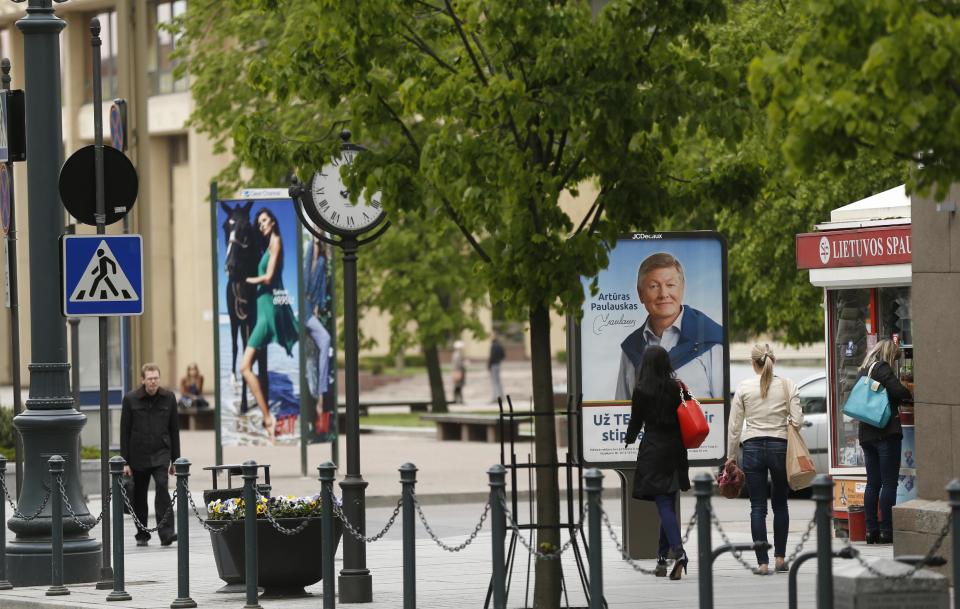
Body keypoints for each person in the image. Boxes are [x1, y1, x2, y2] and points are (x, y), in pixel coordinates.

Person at [726, 344, 803, 574]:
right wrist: (785, 423)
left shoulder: (743, 387)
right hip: (780, 446)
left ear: (753, 363)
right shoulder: (788, 385)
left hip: (752, 447)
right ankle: (780, 559)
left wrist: (731, 457)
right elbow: (797, 419)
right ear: (773, 361)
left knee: (757, 506)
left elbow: (734, 427)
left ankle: (762, 563)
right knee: (780, 504)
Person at [614, 252, 724, 400]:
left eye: (670, 285)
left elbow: (723, 411)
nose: (663, 294)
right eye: (653, 286)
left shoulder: (710, 340)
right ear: (640, 294)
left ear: (682, 288)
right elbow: (620, 411)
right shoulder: (631, 348)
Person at [623, 345, 690, 580]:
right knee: (668, 502)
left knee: (663, 502)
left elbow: (636, 421)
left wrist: (628, 440)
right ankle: (662, 559)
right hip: (676, 449)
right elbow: (689, 408)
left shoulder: (641, 389)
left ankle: (679, 553)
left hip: (654, 449)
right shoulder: (676, 387)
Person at [240, 208, 299, 438]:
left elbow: (268, 277)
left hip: (268, 311)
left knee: (245, 367)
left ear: (273, 221)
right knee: (246, 367)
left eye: (264, 221)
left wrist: (247, 280)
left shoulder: (276, 242)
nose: (262, 225)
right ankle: (268, 418)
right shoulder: (269, 244)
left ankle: (268, 418)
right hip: (264, 306)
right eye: (260, 222)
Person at [856, 339, 912, 544]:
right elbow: (899, 391)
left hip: (866, 434)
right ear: (888, 354)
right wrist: (908, 394)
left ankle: (871, 530)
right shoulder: (882, 368)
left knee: (873, 483)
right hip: (885, 433)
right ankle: (887, 530)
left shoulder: (863, 370)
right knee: (888, 483)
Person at [120, 364, 180, 547]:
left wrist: (175, 461)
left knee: (162, 490)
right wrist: (125, 461)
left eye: (156, 378)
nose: (153, 381)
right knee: (139, 496)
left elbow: (174, 430)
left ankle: (167, 534)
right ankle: (142, 534)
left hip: (161, 453)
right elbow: (125, 432)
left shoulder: (169, 398)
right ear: (143, 380)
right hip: (138, 456)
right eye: (150, 378)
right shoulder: (130, 399)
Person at [303, 236, 332, 428]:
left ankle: (321, 392)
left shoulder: (321, 259)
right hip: (299, 306)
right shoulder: (306, 253)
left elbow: (321, 286)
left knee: (325, 339)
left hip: (310, 308)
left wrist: (318, 307)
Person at [488, 333, 506, 403]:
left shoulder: (493, 346)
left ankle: (495, 397)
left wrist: (489, 365)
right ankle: (501, 396)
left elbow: (491, 357)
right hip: (498, 364)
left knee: (494, 381)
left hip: (494, 365)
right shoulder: (499, 345)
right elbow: (503, 355)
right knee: (498, 381)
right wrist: (499, 360)